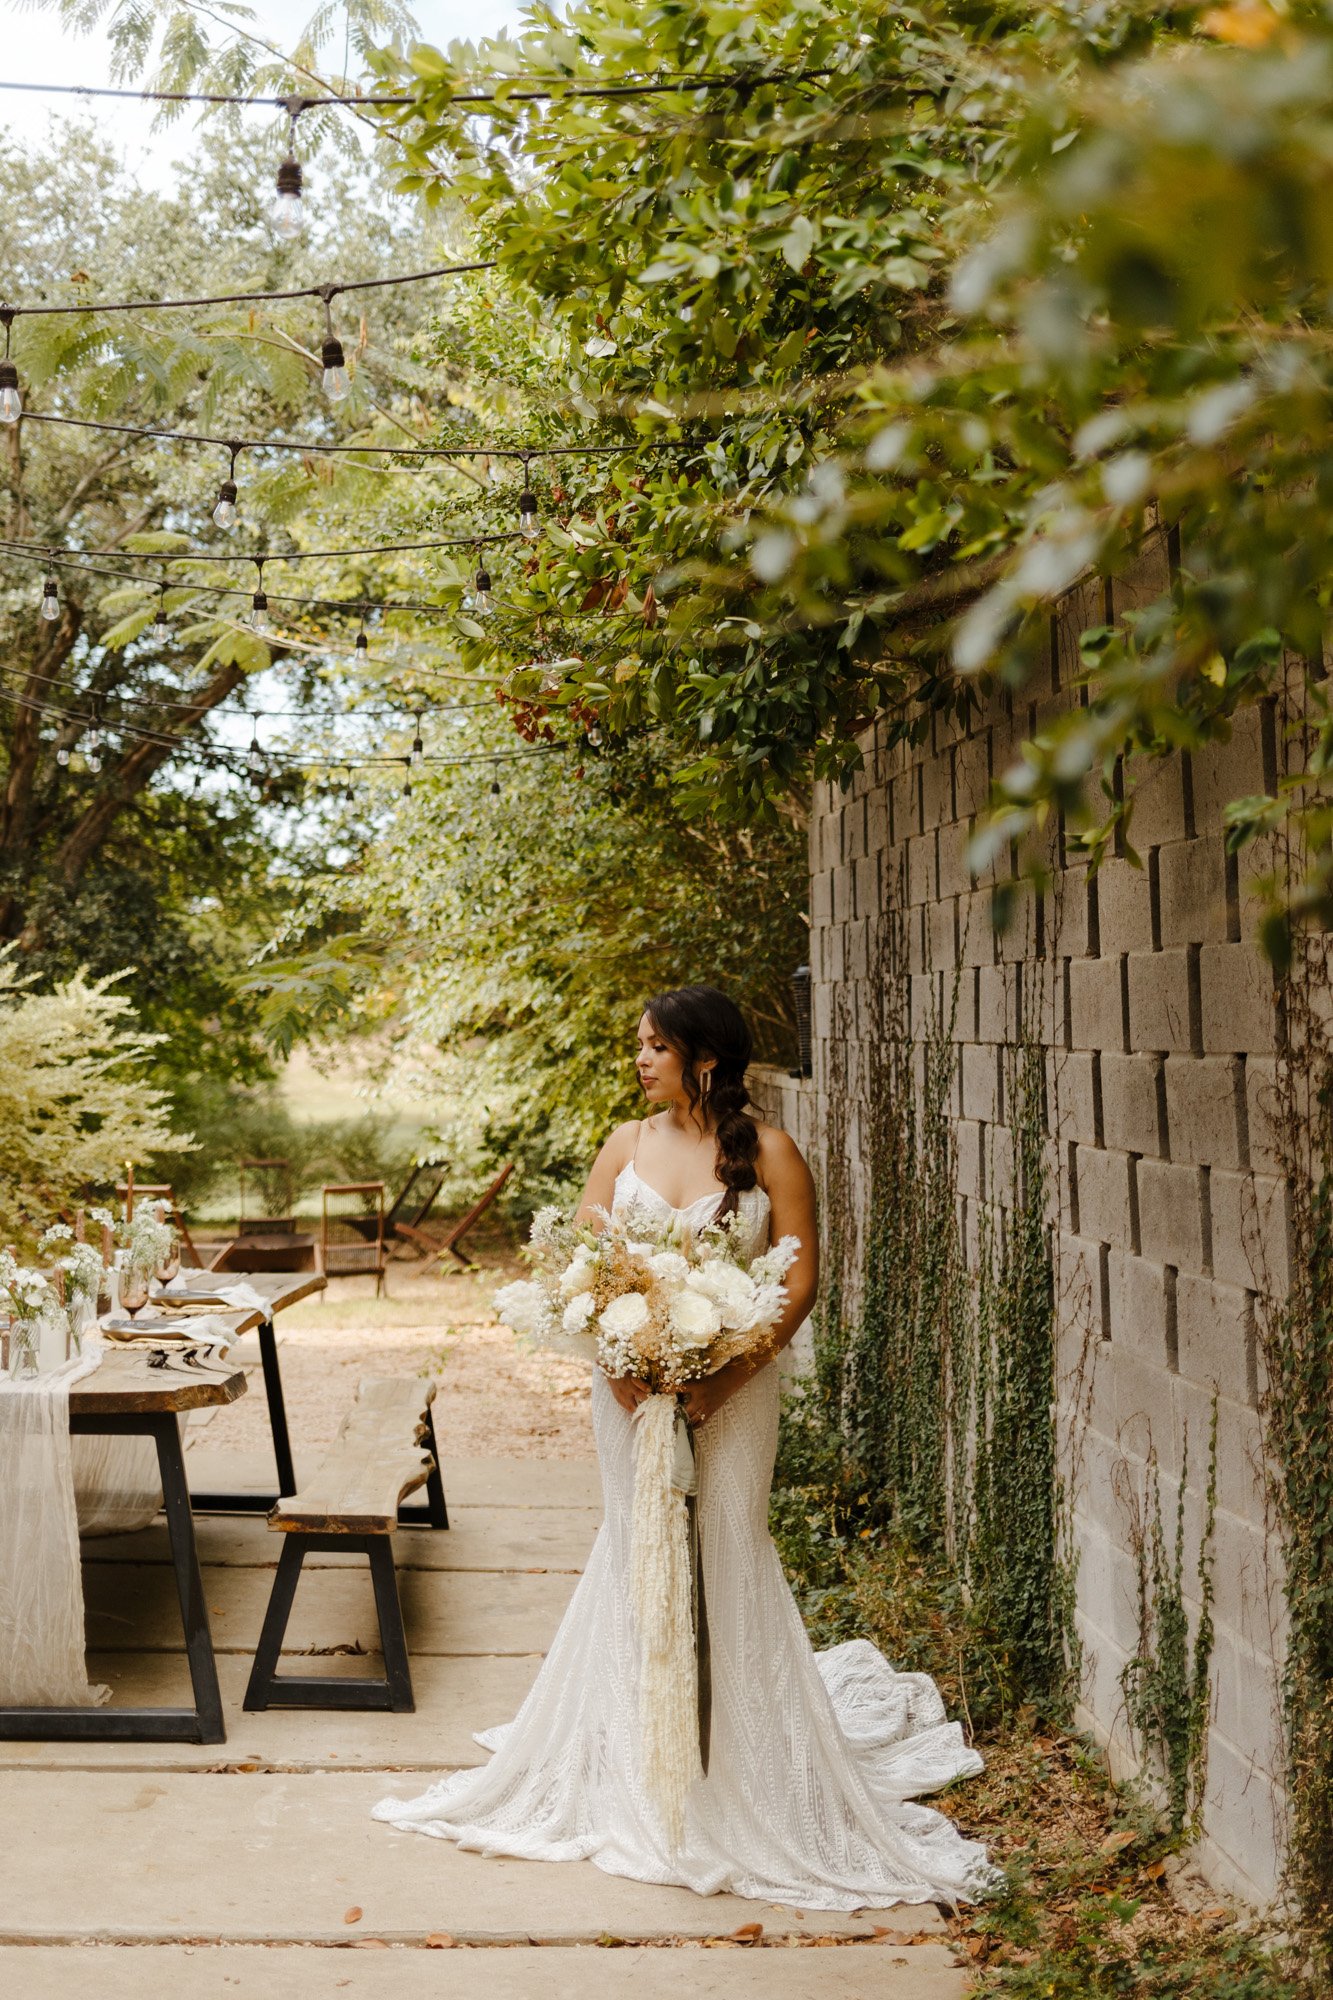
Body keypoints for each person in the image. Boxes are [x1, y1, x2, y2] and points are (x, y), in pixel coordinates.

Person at [374, 985, 992, 1908]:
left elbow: (797, 1281)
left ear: (703, 1057)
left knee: (726, 1549)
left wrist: (720, 1382)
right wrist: (616, 1368)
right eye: (637, 1044)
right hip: (624, 1390)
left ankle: (737, 1772)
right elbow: (576, 1268)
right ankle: (640, 1763)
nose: (639, 1059)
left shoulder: (772, 1152)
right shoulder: (622, 1145)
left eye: (653, 1045)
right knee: (636, 1549)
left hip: (733, 1389)